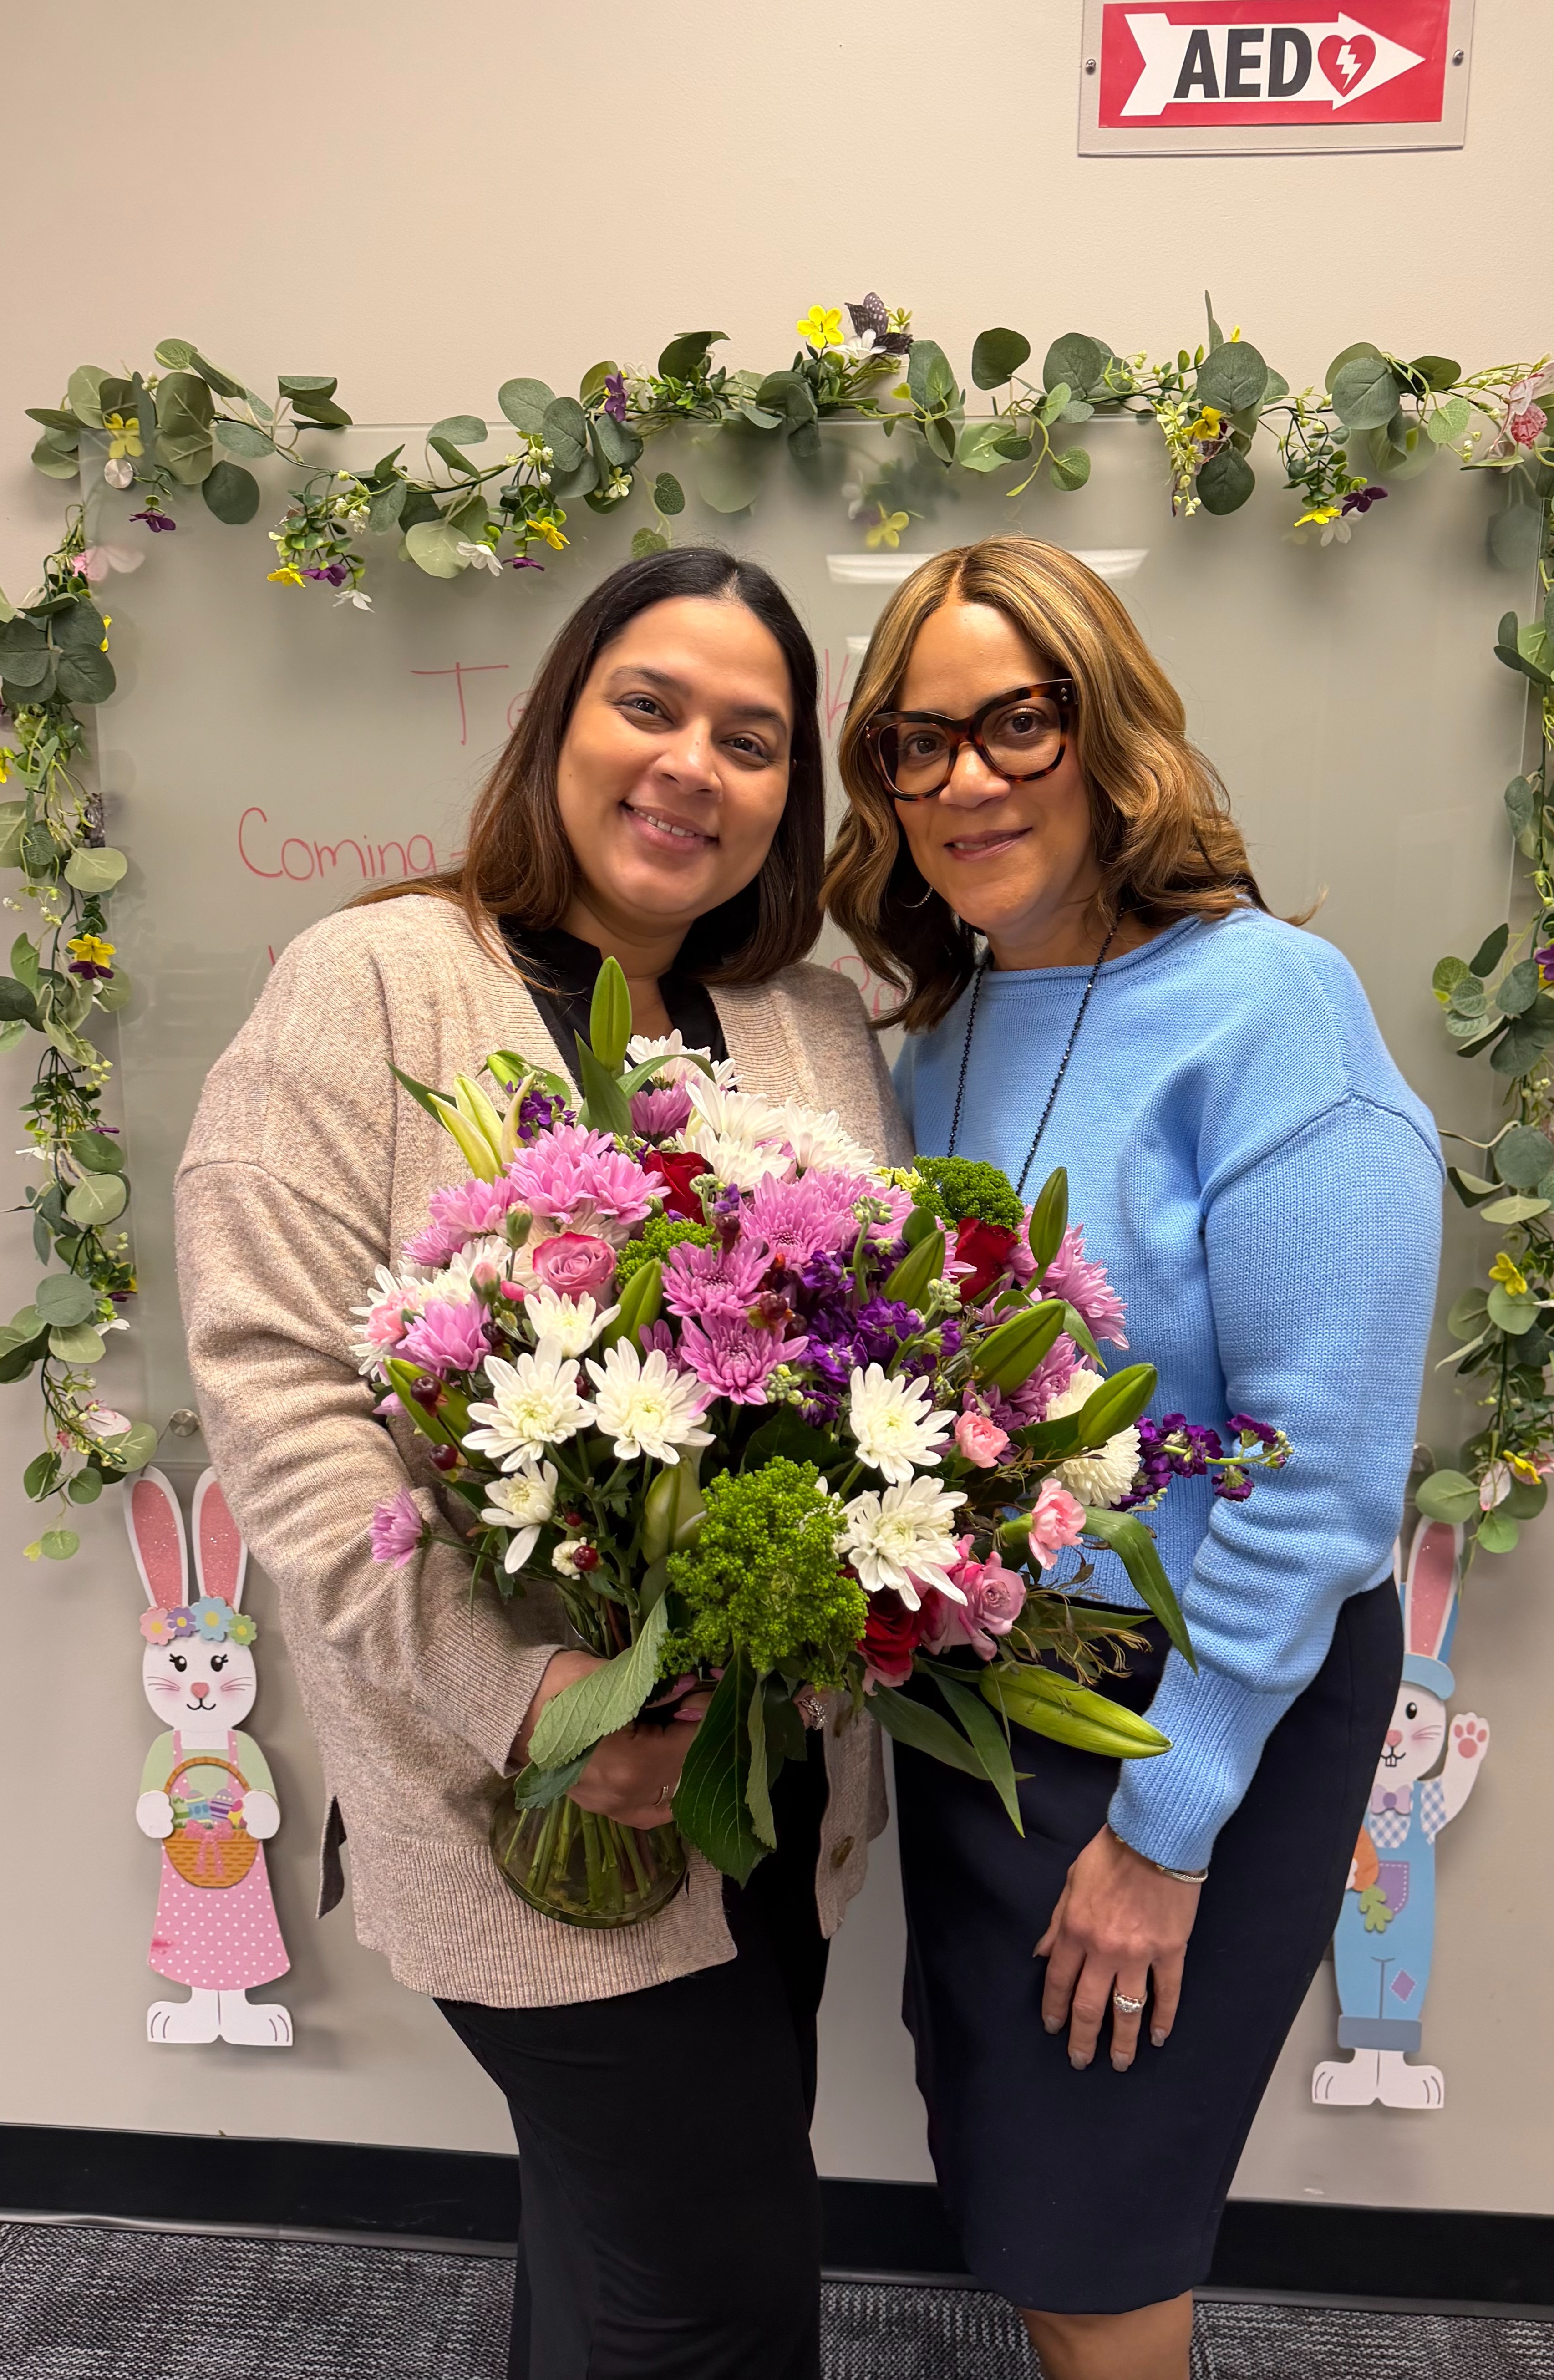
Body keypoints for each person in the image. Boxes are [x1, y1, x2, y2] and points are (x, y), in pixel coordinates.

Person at [176, 547, 906, 2380]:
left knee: (622, 2259)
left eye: (750, 738)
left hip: (773, 1808)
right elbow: (277, 1389)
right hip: (522, 1810)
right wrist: (536, 1696)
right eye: (648, 704)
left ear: (787, 796)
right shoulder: (373, 983)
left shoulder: (811, 1026)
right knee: (709, 2305)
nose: (692, 764)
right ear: (556, 720)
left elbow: (877, 1352)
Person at [824, 534, 1442, 2380]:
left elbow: (1318, 1475)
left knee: (1098, 2239)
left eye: (1017, 720)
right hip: (989, 1701)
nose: (966, 780)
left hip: (1190, 1712)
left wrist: (1164, 1827)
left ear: (1111, 733)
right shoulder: (935, 1037)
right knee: (1023, 2194)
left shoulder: (1269, 1009)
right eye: (912, 744)